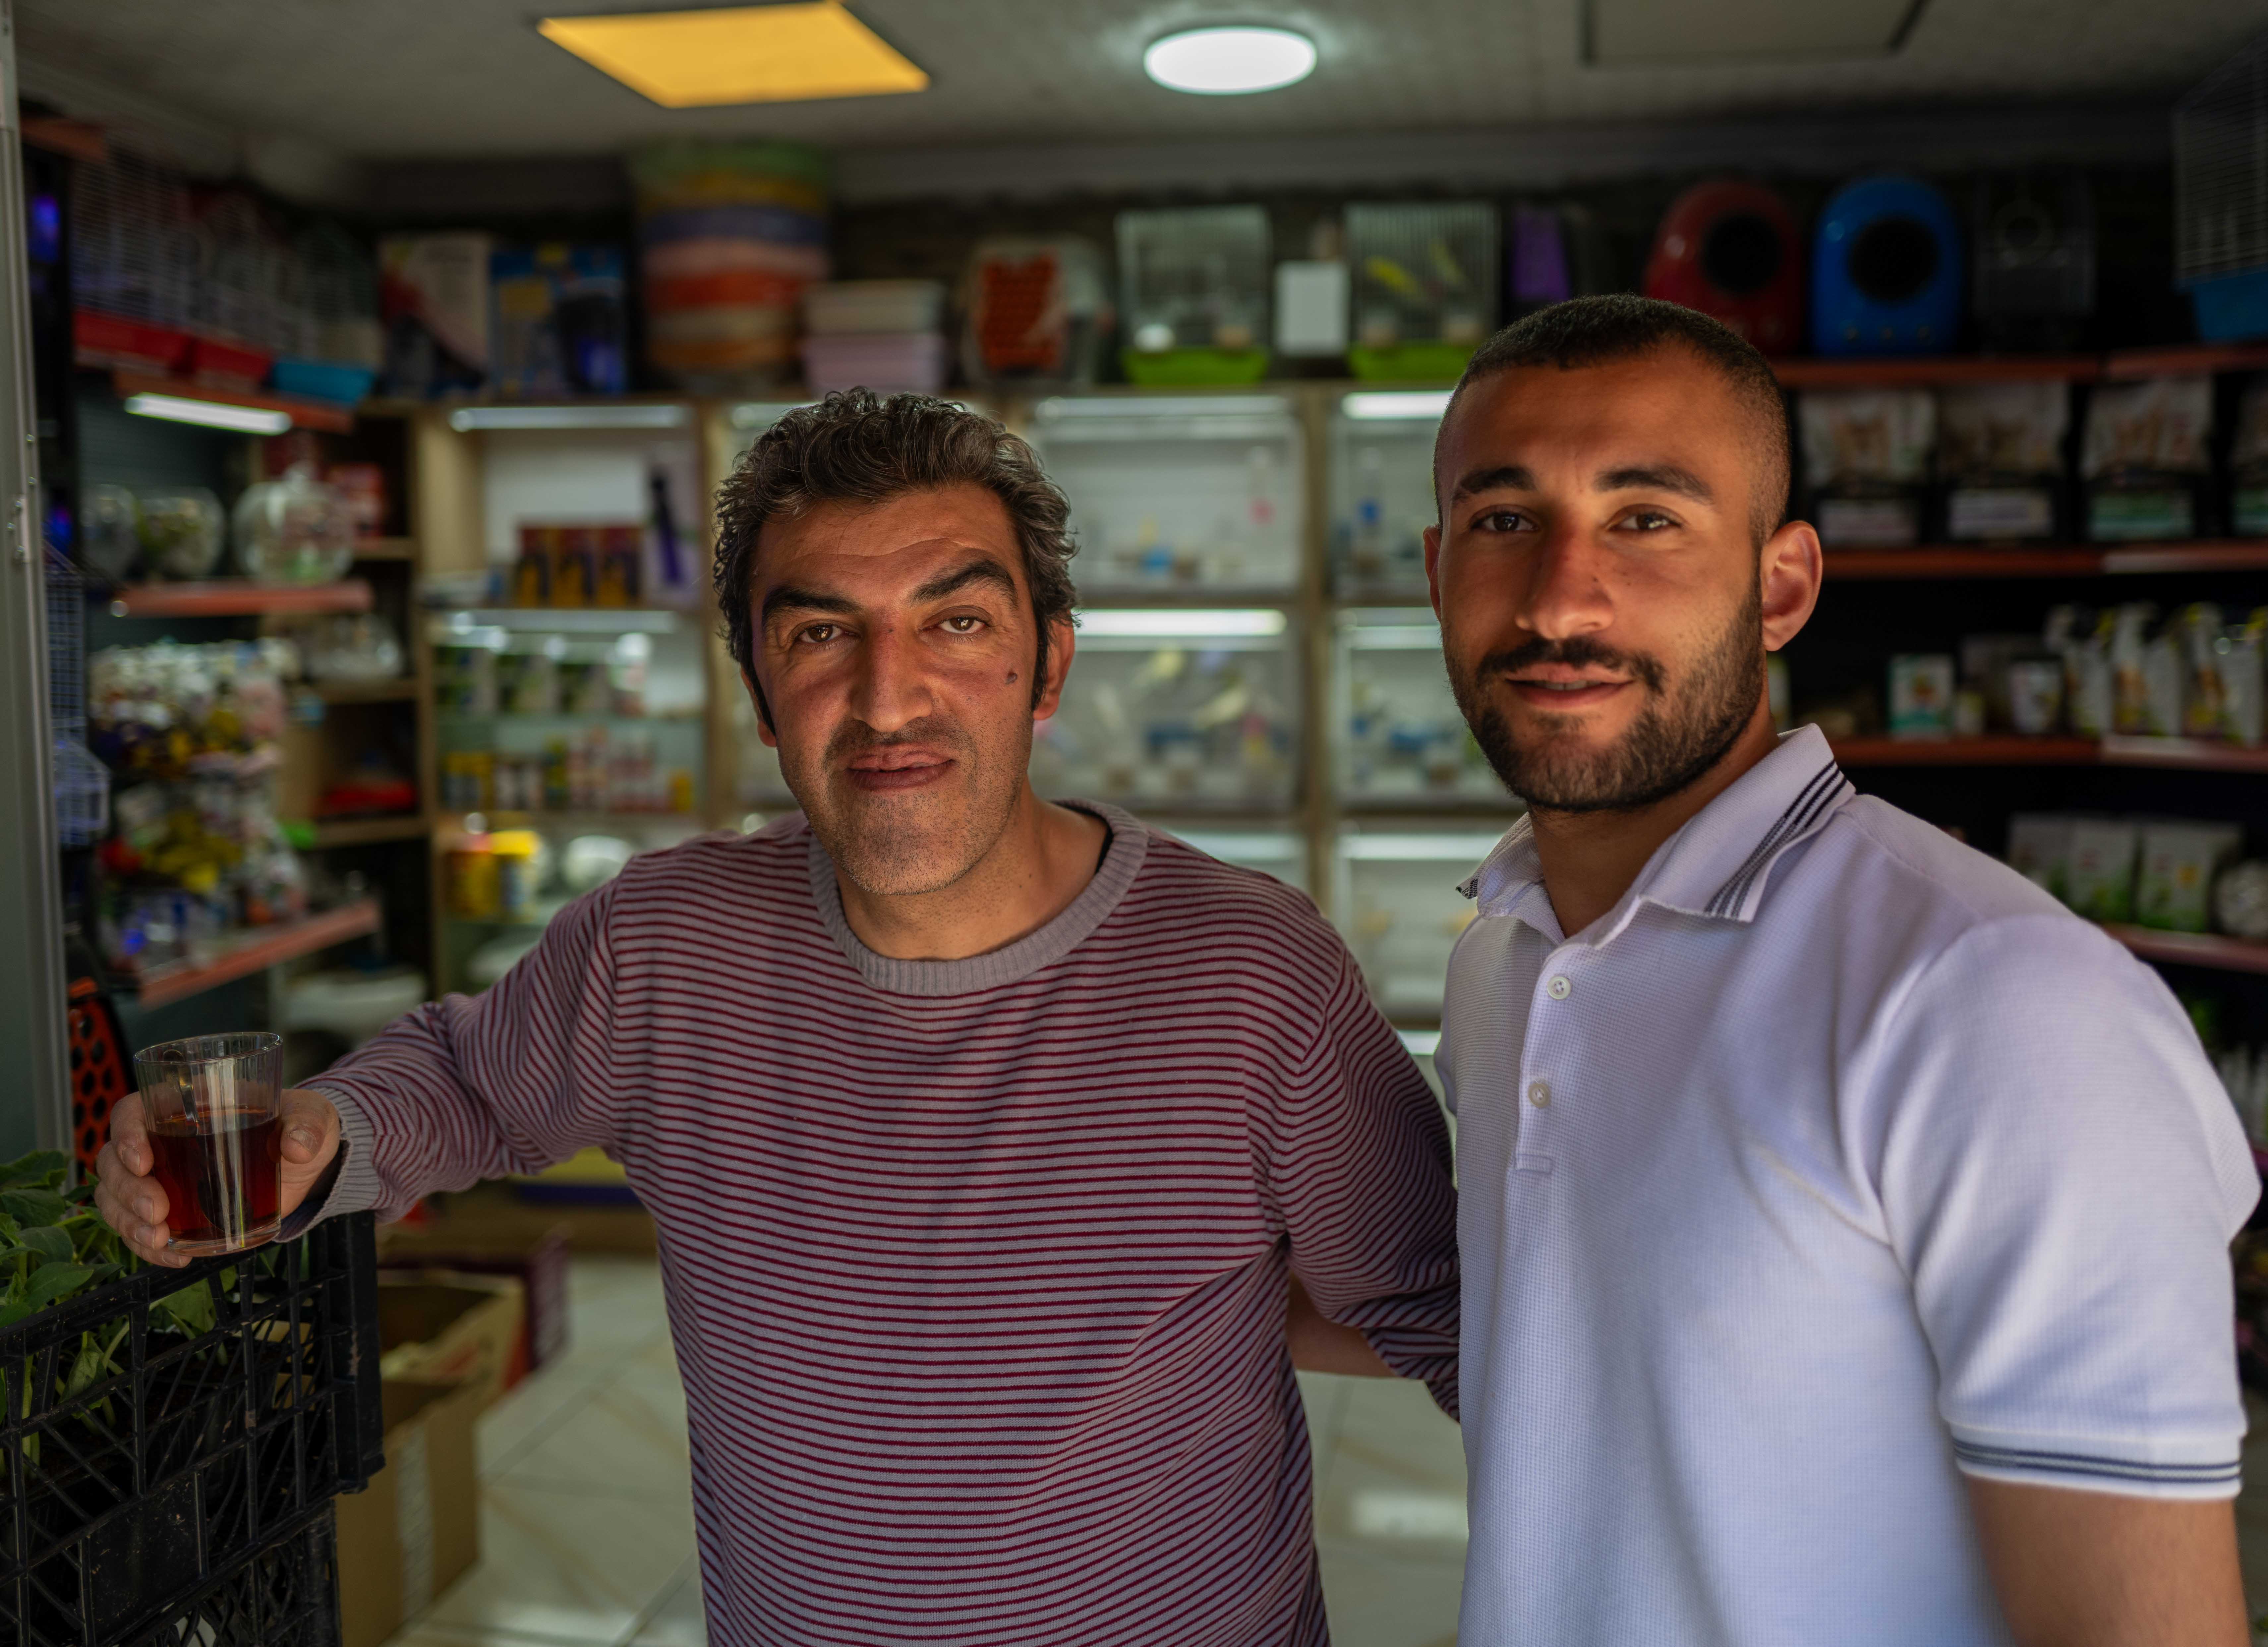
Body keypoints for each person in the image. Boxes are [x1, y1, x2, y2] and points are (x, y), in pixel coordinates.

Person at [96, 392, 1458, 1647]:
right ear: (757, 691)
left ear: (1048, 664)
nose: (886, 695)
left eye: (956, 621)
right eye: (819, 633)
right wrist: (324, 1129)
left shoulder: (1251, 973)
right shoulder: (662, 945)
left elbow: (1444, 1303)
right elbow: (466, 1080)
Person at [1425, 296, 2258, 1647]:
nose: (1559, 598)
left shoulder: (1999, 1000)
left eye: (1646, 518)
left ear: (1780, 589)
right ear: (1435, 570)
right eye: (1504, 518)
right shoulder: (1502, 958)